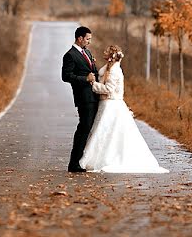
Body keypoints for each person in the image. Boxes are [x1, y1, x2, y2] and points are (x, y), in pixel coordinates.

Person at [78, 44, 168, 173]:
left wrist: (93, 84)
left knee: (109, 133)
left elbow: (109, 90)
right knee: (103, 132)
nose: (104, 52)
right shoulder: (109, 68)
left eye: (107, 52)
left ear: (111, 56)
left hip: (111, 105)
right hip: (105, 104)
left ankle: (109, 159)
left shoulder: (115, 71)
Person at [61, 26, 99, 172]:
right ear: (80, 38)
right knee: (83, 129)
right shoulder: (69, 55)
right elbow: (66, 76)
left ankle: (85, 160)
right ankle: (74, 163)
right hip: (83, 98)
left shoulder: (87, 53)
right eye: (87, 39)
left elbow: (93, 72)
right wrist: (85, 78)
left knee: (91, 129)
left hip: (94, 96)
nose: (89, 42)